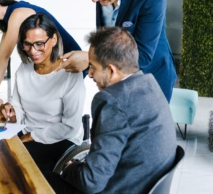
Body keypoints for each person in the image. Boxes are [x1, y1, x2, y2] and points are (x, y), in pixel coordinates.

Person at [45, 27, 177, 194]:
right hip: (142, 183)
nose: (90, 74)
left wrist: (69, 168)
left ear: (111, 70)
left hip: (120, 188)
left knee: (42, 178)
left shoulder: (113, 101)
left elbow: (90, 182)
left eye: (92, 67)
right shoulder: (149, 84)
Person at [56, 0, 177, 102]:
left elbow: (144, 56)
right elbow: (106, 41)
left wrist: (89, 59)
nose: (94, 0)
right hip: (115, 80)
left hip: (151, 78)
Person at [0, 13, 85, 172]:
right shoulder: (24, 68)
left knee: (12, 166)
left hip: (59, 139)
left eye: (39, 43)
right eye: (27, 44)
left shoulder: (70, 73)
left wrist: (32, 136)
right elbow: (18, 106)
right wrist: (12, 111)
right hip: (27, 133)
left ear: (54, 40)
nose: (33, 51)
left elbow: (70, 127)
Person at [0, 0, 82, 104]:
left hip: (70, 61)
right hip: (54, 63)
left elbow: (4, 56)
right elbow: (0, 52)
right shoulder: (11, 16)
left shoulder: (18, 13)